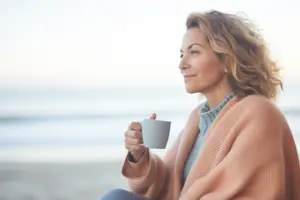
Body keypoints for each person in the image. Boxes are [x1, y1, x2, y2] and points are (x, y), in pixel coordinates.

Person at [100, 10, 300, 200]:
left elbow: (254, 192)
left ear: (227, 60)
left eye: (193, 52)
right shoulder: (198, 118)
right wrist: (139, 155)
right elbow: (169, 186)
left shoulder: (259, 112)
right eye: (181, 55)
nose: (182, 64)